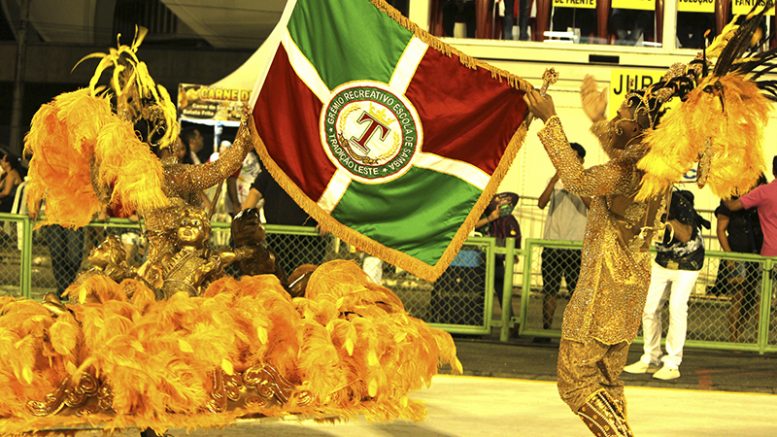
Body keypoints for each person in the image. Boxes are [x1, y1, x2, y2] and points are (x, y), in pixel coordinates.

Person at [523, 73, 678, 435]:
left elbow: (576, 179)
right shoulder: (656, 171)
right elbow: (622, 157)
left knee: (575, 381)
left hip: (602, 292)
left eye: (621, 115)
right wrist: (597, 121)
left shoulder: (625, 172)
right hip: (628, 292)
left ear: (640, 128)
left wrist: (551, 119)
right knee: (606, 382)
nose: (615, 120)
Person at [624, 190, 709, 381]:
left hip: (689, 261)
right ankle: (650, 357)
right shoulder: (642, 200)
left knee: (677, 307)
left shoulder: (679, 202)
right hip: (662, 260)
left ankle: (672, 363)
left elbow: (686, 235)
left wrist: (662, 217)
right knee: (649, 308)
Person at [537, 142, 588, 334]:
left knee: (576, 292)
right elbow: (541, 203)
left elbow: (592, 206)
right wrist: (555, 179)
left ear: (581, 161)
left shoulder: (588, 181)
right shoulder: (554, 181)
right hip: (553, 243)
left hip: (576, 245)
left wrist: (577, 185)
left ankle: (574, 331)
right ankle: (545, 330)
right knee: (549, 289)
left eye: (573, 158)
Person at [241, 163, 326, 275]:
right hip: (276, 240)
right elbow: (256, 192)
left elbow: (328, 194)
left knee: (304, 281)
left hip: (308, 240)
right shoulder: (273, 167)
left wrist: (327, 218)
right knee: (276, 281)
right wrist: (244, 218)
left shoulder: (313, 169)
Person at [711, 176, 765, 341]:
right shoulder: (729, 199)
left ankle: (756, 337)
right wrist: (729, 256)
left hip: (757, 255)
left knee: (755, 297)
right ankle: (733, 337)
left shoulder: (757, 201)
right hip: (736, 254)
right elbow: (721, 230)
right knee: (738, 296)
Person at [725, 156, 777, 258]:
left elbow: (732, 206)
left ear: (773, 170)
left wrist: (723, 190)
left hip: (771, 255)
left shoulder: (764, 192)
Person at [0, 149, 23, 214]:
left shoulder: (12, 174)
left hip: (10, 203)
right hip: (8, 202)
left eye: (3, 160)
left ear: (8, 163)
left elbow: (6, 192)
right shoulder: (7, 174)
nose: (1, 161)